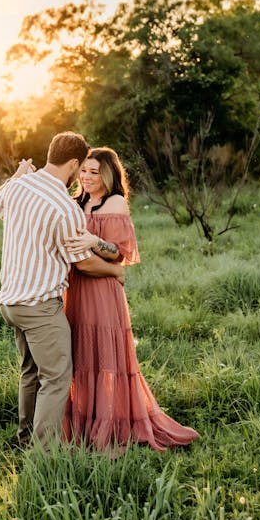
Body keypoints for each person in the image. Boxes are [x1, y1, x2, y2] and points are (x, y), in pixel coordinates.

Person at [0, 132, 125, 450]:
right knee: (57, 377)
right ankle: (45, 456)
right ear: (75, 164)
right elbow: (86, 264)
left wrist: (16, 175)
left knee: (32, 372)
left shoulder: (19, 186)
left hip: (10, 302)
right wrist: (115, 269)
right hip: (39, 308)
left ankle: (25, 441)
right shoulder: (65, 207)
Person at [62, 146, 200, 452]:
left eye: (94, 172)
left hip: (103, 290)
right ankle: (84, 420)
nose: (86, 177)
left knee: (105, 352)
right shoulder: (77, 202)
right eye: (83, 170)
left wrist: (93, 240)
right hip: (77, 287)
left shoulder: (115, 203)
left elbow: (119, 254)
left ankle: (112, 420)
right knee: (81, 351)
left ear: (109, 174)